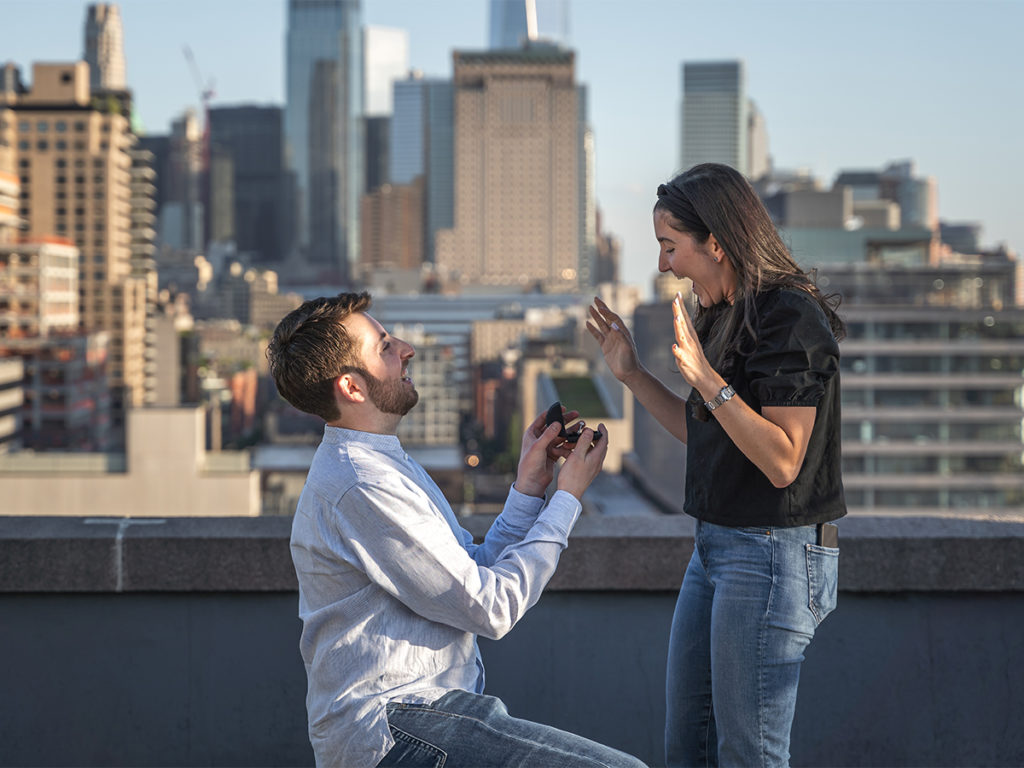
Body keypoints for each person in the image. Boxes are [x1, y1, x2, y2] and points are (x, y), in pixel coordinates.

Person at [267, 291, 646, 768]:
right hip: (395, 729)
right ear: (352, 387)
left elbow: (471, 572)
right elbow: (493, 608)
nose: (406, 348)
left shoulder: (383, 463)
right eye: (384, 346)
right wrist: (567, 499)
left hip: (429, 717)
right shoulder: (362, 484)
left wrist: (530, 488)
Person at [586, 163, 846, 768]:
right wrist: (630, 373)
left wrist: (706, 377)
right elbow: (703, 434)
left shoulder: (789, 318)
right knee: (690, 748)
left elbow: (783, 460)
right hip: (716, 549)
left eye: (669, 246)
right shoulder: (723, 311)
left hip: (772, 555)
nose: (662, 265)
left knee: (748, 756)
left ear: (717, 244)